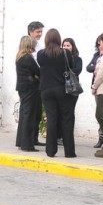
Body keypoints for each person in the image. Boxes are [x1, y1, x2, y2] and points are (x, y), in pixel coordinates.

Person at [37, 29, 77, 158]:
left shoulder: (40, 54)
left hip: (46, 89)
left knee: (51, 119)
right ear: (59, 39)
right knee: (67, 119)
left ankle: (50, 150)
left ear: (47, 39)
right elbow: (70, 66)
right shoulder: (65, 53)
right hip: (63, 89)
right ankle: (69, 151)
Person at [15, 35, 41, 151]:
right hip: (30, 88)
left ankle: (21, 141)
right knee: (29, 116)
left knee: (24, 114)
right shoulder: (28, 58)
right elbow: (38, 71)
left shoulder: (19, 56)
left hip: (22, 88)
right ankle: (27, 144)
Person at [85, 36, 103, 148]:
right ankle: (101, 137)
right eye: (97, 44)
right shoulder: (96, 55)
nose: (98, 46)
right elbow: (88, 67)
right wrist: (98, 66)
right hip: (96, 87)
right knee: (99, 114)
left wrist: (96, 66)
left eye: (100, 43)